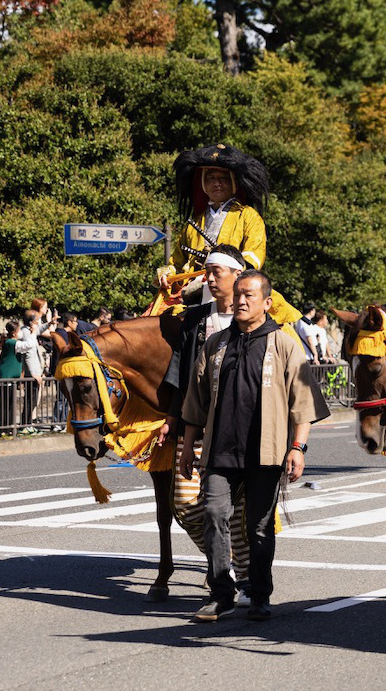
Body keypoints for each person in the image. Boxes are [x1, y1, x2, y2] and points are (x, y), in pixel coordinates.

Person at [179, 270, 329, 622]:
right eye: (238, 295)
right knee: (214, 514)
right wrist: (187, 448)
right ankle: (221, 593)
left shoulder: (284, 344)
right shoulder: (216, 345)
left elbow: (302, 402)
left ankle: (260, 595)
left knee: (259, 527)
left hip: (267, 451)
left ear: (267, 302)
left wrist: (298, 448)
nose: (241, 301)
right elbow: (195, 403)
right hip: (219, 450)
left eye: (249, 295)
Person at [160, 245, 253, 593]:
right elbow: (179, 371)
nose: (209, 278)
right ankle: (222, 562)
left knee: (239, 512)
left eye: (217, 272)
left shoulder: (253, 319)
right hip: (195, 426)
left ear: (237, 275)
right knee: (184, 506)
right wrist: (172, 417)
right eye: (207, 271)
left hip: (239, 431)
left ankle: (244, 580)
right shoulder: (196, 317)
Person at [155, 143, 303, 330]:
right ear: (203, 184)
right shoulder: (194, 222)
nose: (217, 183)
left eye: (223, 178)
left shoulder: (248, 216)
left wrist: (227, 269)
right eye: (211, 178)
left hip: (234, 285)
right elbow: (176, 261)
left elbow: (254, 256)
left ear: (234, 183)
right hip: (192, 287)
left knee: (282, 329)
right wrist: (167, 273)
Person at [0, 322, 23, 437]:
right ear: (14, 332)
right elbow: (28, 345)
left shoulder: (12, 342)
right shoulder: (11, 342)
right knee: (4, 404)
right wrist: (34, 333)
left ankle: (9, 426)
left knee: (11, 404)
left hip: (12, 378)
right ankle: (2, 428)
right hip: (6, 377)